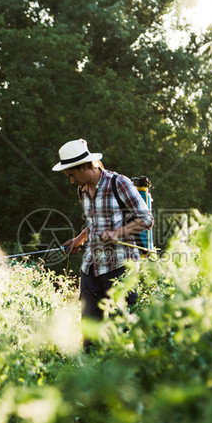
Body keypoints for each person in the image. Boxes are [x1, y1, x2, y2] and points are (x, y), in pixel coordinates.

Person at [53, 138, 153, 322]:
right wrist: (79, 239)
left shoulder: (118, 183)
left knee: (118, 334)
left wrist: (117, 233)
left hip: (120, 269)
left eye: (71, 174)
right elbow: (94, 224)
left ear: (84, 167)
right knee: (90, 336)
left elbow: (146, 219)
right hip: (90, 269)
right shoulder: (82, 190)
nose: (71, 180)